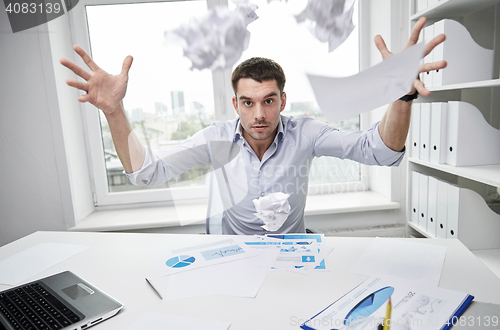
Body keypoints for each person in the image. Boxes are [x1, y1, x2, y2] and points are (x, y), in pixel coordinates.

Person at [60, 17, 446, 235]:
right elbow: (146, 173)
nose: (258, 114)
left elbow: (380, 151)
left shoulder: (305, 132)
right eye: (248, 103)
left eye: (268, 101)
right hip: (235, 255)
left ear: (282, 100)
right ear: (236, 104)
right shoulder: (216, 139)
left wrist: (402, 94)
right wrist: (113, 110)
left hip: (295, 253)